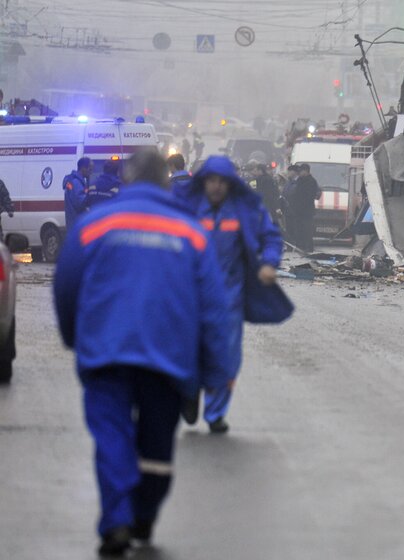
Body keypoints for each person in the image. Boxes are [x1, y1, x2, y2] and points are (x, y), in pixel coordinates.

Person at [53, 149, 233, 557]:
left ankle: (116, 520)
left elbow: (66, 285)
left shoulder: (94, 225)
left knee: (112, 436)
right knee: (155, 445)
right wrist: (214, 370)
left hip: (105, 354)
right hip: (167, 358)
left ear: (127, 181)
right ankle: (144, 514)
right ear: (166, 182)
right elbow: (213, 308)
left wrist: (73, 336)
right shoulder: (191, 233)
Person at [174, 155, 291, 433]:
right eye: (211, 181)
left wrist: (268, 263)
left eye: (221, 182)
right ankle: (190, 391)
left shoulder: (246, 210)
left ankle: (215, 414)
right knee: (190, 351)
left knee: (226, 358)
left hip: (229, 298)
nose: (216, 187)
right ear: (203, 182)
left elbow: (271, 237)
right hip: (192, 296)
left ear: (230, 184)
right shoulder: (187, 208)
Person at [289, 163, 319, 253]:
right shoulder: (300, 180)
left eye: (301, 171)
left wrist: (301, 205)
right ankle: (300, 246)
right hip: (298, 210)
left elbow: (309, 196)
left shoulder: (311, 181)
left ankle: (308, 247)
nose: (299, 173)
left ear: (306, 171)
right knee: (299, 229)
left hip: (307, 210)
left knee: (307, 230)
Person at [63, 157, 93, 230]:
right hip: (78, 225)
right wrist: (92, 195)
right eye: (90, 169)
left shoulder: (74, 181)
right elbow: (81, 203)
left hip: (74, 224)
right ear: (83, 168)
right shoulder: (76, 183)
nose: (91, 172)